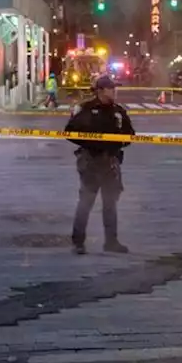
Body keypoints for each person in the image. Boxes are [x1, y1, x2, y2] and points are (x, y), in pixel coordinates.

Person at [65, 75, 135, 255]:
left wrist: (117, 145)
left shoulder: (118, 112)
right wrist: (93, 144)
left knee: (110, 204)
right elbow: (70, 132)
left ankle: (111, 242)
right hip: (91, 162)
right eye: (111, 89)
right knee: (86, 202)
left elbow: (130, 134)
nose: (115, 92)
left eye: (115, 88)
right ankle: (78, 242)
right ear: (101, 91)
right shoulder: (87, 109)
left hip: (110, 162)